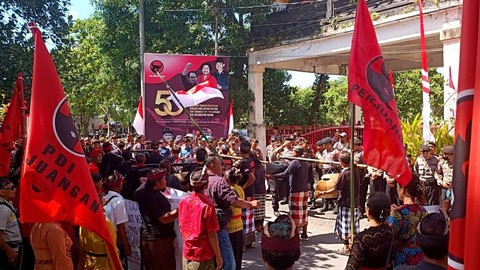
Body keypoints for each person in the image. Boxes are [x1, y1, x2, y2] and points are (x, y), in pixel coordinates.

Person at [204, 154, 258, 270]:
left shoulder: (203, 180)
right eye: (220, 164)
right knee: (230, 261)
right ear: (212, 165)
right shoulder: (220, 183)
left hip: (208, 226)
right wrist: (250, 204)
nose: (222, 168)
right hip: (224, 227)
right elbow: (234, 201)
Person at [178, 167, 223, 270]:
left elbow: (181, 226)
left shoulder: (183, 201)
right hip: (203, 255)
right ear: (206, 184)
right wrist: (219, 256)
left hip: (187, 253)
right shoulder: (207, 206)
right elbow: (212, 234)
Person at [134, 168, 178, 270]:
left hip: (146, 237)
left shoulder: (140, 193)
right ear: (157, 183)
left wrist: (145, 183)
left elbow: (138, 190)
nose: (166, 181)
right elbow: (164, 219)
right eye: (163, 179)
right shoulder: (158, 198)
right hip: (159, 240)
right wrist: (180, 210)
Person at [318, 151, 361, 255]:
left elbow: (336, 188)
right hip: (355, 202)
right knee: (353, 226)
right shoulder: (355, 169)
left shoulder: (345, 173)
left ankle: (347, 248)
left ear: (341, 162)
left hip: (346, 203)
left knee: (345, 226)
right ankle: (353, 247)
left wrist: (322, 193)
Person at [346, 192, 397, 270]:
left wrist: (355, 247)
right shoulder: (392, 231)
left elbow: (352, 267)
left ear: (368, 211)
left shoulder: (362, 239)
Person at [386, 174, 428, 267]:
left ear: (403, 190)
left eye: (398, 186)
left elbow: (387, 237)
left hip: (401, 259)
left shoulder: (397, 214)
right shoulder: (423, 211)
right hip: (419, 257)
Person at [270, 146, 309, 240]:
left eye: (293, 151)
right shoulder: (305, 162)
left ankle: (296, 236)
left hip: (296, 190)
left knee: (295, 214)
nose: (292, 152)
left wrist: (272, 176)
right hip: (305, 190)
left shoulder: (295, 162)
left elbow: (285, 174)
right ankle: (304, 233)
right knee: (304, 213)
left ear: (296, 153)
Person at [104, 171, 131, 268]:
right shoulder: (118, 202)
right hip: (117, 239)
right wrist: (126, 243)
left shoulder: (103, 197)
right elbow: (120, 225)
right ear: (119, 184)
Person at [225, 168, 245, 270]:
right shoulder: (240, 188)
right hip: (239, 224)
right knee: (238, 254)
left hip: (231, 225)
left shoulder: (230, 191)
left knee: (231, 254)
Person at [0, 178, 22, 270]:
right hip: (6, 252)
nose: (15, 189)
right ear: (1, 192)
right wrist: (9, 251)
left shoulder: (8, 203)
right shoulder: (2, 209)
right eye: (11, 188)